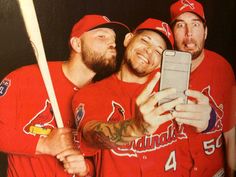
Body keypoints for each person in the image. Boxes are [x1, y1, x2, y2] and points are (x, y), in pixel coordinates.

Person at [60, 18, 199, 177]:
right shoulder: (90, 93)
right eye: (145, 41)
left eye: (158, 51)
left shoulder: (170, 94)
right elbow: (91, 135)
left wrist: (208, 121)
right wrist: (136, 127)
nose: (149, 51)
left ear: (161, 62)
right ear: (128, 39)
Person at [0, 14, 129, 177]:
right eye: (102, 36)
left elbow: (102, 163)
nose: (112, 44)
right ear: (77, 44)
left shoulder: (104, 99)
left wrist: (85, 169)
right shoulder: (25, 78)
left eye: (114, 40)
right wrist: (43, 144)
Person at [169, 0, 235, 176]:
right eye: (181, 25)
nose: (189, 34)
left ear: (205, 32)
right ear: (171, 33)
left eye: (196, 25)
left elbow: (230, 131)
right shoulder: (157, 69)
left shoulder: (223, 68)